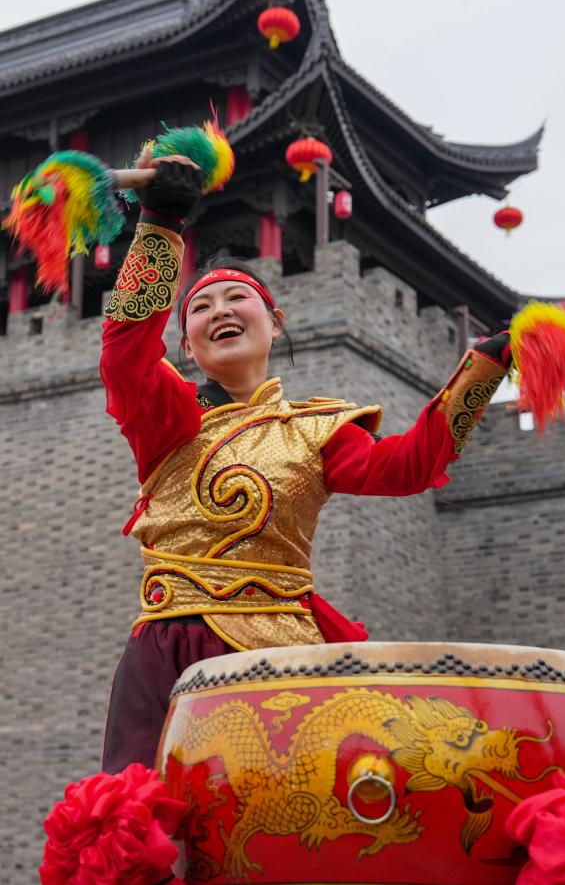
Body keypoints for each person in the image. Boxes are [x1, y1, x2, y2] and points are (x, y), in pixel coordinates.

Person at [100, 156, 511, 774]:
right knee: (145, 827)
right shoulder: (168, 420)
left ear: (274, 323)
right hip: (169, 645)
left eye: (238, 297)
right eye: (201, 307)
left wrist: (484, 368)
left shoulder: (315, 431)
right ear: (187, 345)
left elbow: (410, 466)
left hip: (286, 650)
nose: (220, 311)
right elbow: (125, 353)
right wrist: (161, 224)